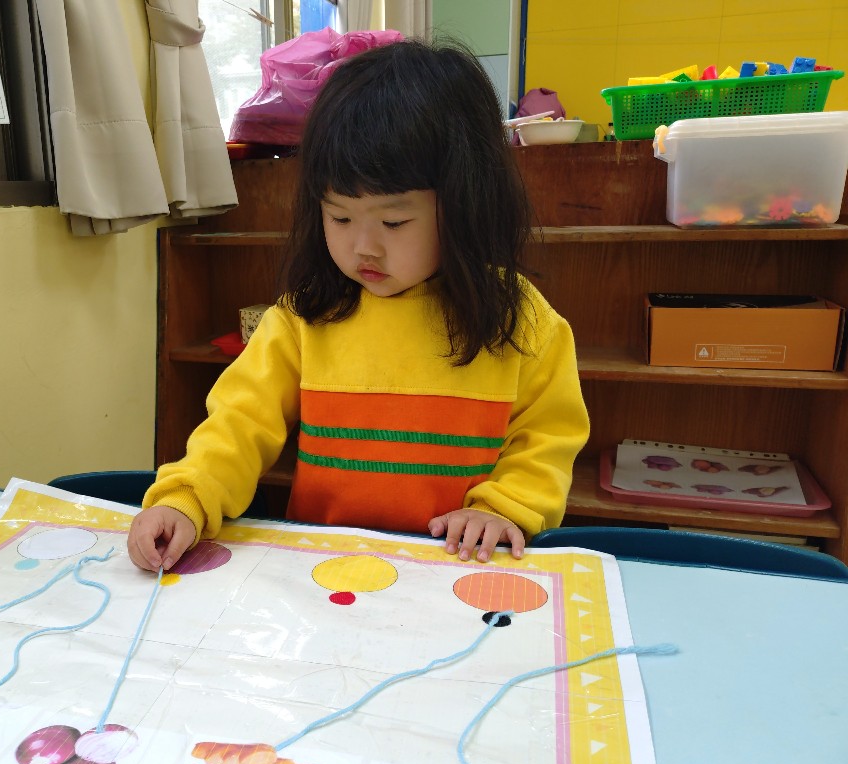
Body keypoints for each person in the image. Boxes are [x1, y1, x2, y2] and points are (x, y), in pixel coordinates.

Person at [128, 38, 590, 572]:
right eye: (340, 217)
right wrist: (188, 496)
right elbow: (237, 423)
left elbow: (547, 437)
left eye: (393, 221)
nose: (363, 246)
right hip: (324, 573)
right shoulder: (305, 317)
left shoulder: (519, 319)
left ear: (466, 203)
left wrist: (502, 507)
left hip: (453, 570)